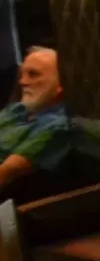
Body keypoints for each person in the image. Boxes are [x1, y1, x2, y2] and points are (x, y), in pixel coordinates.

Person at [0, 47, 74, 203]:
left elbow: (6, 172)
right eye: (23, 74)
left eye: (33, 74)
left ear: (60, 83)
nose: (22, 82)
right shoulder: (17, 109)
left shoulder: (56, 126)